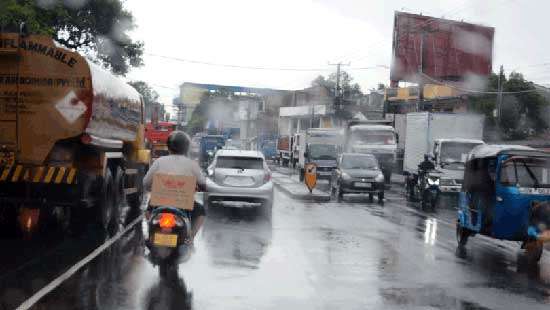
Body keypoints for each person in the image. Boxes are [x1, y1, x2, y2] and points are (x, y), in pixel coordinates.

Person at [143, 131, 206, 243]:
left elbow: (146, 182)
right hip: (184, 203)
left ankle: (151, 234)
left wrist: (152, 188)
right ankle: (190, 238)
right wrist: (201, 187)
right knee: (201, 212)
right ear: (186, 147)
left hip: (160, 201)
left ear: (169, 146)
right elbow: (202, 183)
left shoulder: (159, 161)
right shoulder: (192, 164)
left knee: (148, 211)